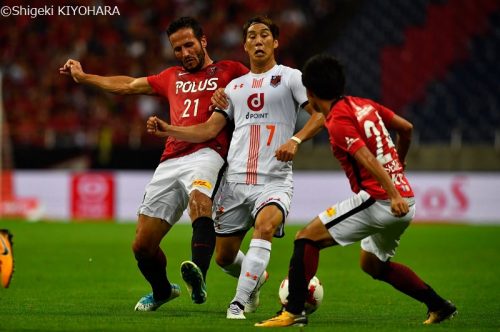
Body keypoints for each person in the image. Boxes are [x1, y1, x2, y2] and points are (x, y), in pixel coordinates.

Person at [59, 17, 249, 310]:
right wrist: (85, 78)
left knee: (199, 203)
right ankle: (162, 291)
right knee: (142, 246)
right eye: (177, 49)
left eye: (189, 45)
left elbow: (260, 87)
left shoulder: (230, 71)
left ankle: (198, 273)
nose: (185, 53)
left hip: (208, 152)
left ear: (203, 41)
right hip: (170, 160)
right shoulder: (171, 76)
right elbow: (127, 85)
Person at [255, 54, 457, 327]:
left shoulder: (337, 121)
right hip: (404, 200)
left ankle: (293, 311)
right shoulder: (364, 104)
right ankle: (439, 305)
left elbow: (367, 159)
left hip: (381, 200)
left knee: (306, 238)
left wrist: (392, 193)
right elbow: (406, 128)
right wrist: (399, 163)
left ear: (311, 94)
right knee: (373, 265)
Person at [146, 16, 325, 319]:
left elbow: (321, 114)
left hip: (274, 179)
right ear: (244, 45)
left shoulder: (291, 77)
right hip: (236, 181)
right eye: (252, 36)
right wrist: (170, 130)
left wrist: (295, 139)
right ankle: (255, 284)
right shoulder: (233, 87)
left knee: (265, 226)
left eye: (264, 35)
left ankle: (237, 304)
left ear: (275, 42)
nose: (258, 40)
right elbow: (207, 130)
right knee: (224, 257)